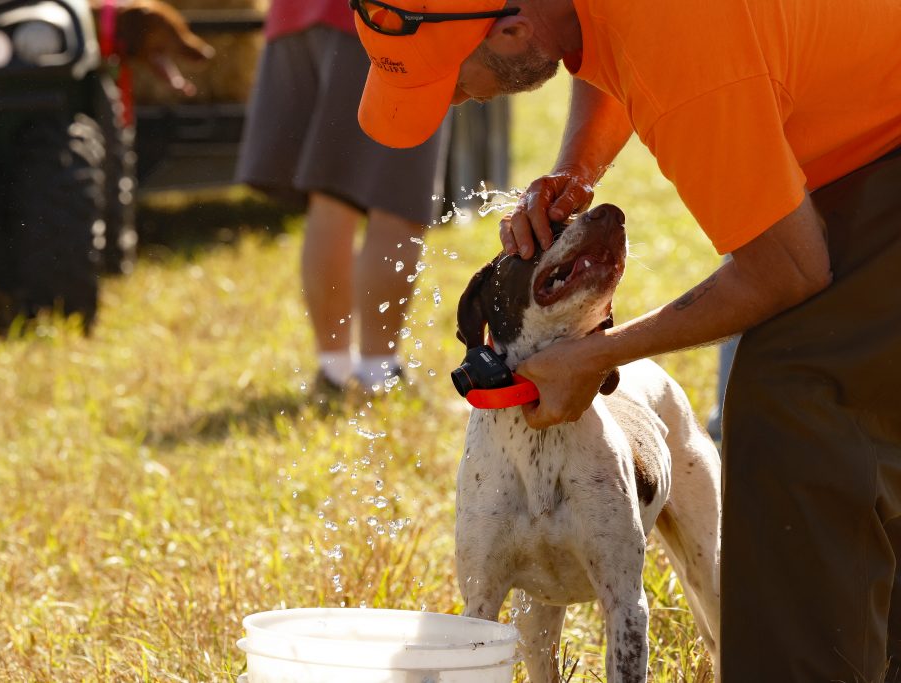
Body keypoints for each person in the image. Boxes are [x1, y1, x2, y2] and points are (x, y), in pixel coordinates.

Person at [347, 0, 901, 681]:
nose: (461, 101)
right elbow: (607, 50)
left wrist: (601, 354)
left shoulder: (685, 54)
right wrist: (575, 172)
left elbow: (788, 267)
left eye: (456, 84)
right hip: (873, 138)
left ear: (513, 31)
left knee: (795, 389)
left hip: (885, 143)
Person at [235, 1, 448, 395]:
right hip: (388, 16)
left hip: (296, 17)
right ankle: (378, 371)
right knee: (396, 199)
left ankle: (334, 369)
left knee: (333, 193)